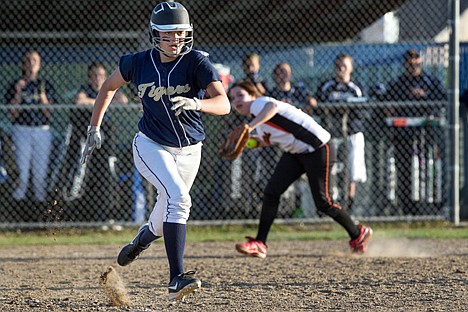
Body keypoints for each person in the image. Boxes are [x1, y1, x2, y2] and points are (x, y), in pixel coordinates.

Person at [80, 2, 230, 301]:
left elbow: (223, 103)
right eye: (168, 34)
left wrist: (197, 103)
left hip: (190, 149)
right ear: (155, 35)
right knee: (179, 198)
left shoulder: (196, 62)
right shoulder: (137, 62)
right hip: (151, 144)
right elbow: (108, 87)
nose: (175, 39)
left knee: (169, 211)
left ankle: (142, 239)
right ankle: (176, 278)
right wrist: (94, 128)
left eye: (180, 33)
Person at [229, 80, 372, 259]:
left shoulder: (261, 104)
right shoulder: (259, 119)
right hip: (297, 153)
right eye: (232, 98)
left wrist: (251, 127)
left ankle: (358, 234)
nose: (236, 100)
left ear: (252, 95)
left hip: (319, 148)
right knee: (271, 192)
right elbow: (268, 139)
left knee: (323, 202)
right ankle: (260, 243)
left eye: (240, 95)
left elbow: (272, 107)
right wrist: (248, 142)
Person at [384, 49, 447, 215]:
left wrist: (424, 96)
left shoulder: (430, 82)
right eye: (409, 61)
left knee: (429, 168)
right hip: (404, 135)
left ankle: (431, 206)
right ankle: (407, 207)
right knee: (405, 170)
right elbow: (389, 100)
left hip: (427, 134)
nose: (413, 64)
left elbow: (442, 97)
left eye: (416, 60)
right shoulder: (398, 83)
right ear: (405, 64)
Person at [63, 62, 129, 221]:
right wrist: (102, 101)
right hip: (87, 136)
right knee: (82, 172)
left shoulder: (110, 88)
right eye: (94, 75)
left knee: (106, 172)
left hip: (106, 138)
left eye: (100, 75)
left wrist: (100, 98)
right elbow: (80, 101)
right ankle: (76, 212)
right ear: (89, 77)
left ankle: (106, 214)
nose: (97, 78)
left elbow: (123, 100)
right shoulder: (85, 90)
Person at [4, 49, 57, 220]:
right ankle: (18, 216)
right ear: (23, 64)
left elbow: (48, 113)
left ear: (39, 64)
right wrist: (19, 92)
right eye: (28, 60)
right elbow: (13, 113)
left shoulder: (45, 84)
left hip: (42, 130)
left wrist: (42, 97)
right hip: (22, 130)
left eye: (35, 60)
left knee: (40, 174)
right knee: (22, 173)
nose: (31, 64)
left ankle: (39, 217)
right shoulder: (16, 84)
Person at [316, 53, 368, 214]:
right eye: (338, 65)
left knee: (352, 169)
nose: (341, 68)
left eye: (344, 65)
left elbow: (365, 112)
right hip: (331, 133)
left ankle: (349, 204)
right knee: (329, 168)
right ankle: (330, 201)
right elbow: (318, 106)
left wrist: (348, 110)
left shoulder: (356, 88)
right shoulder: (327, 86)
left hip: (351, 132)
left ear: (351, 68)